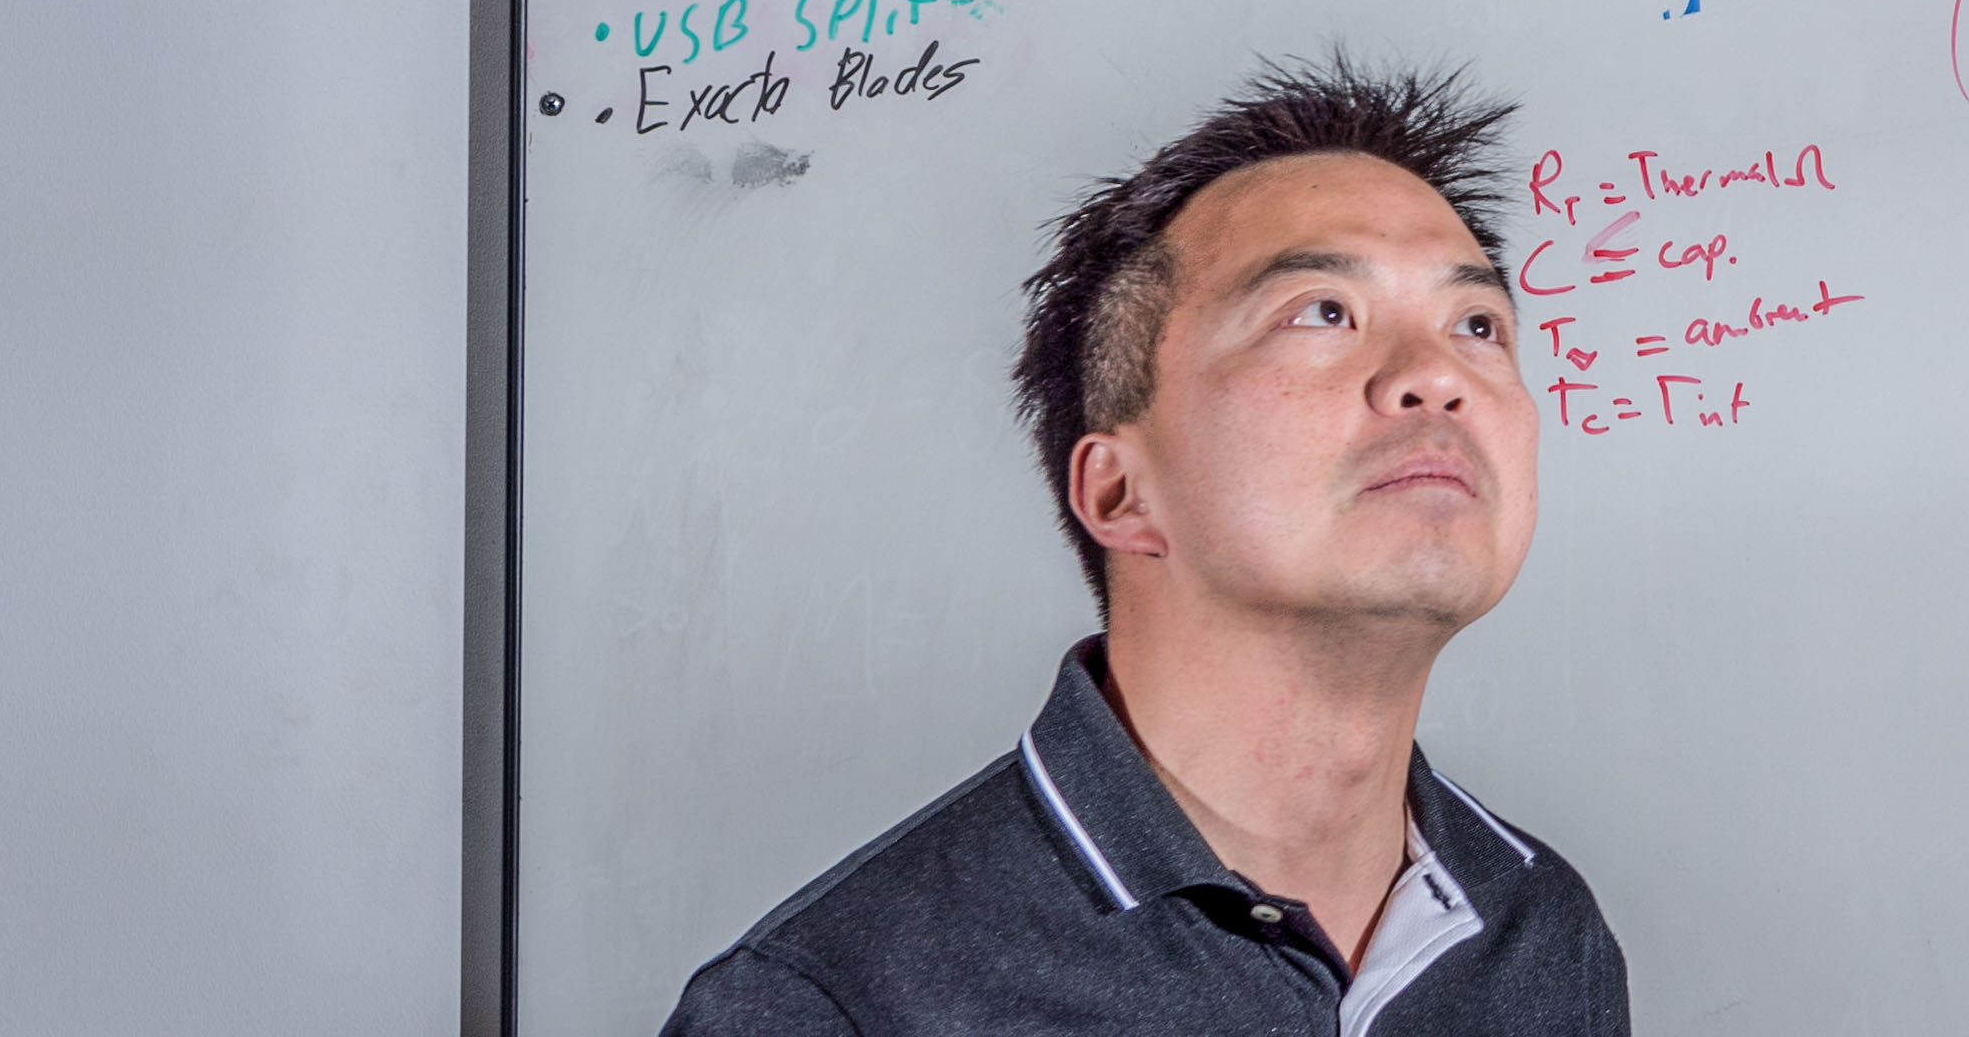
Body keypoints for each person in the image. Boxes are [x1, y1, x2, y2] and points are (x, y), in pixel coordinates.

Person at [670, 58, 1630, 1034]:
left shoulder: (1543, 930)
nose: (1436, 376)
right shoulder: (838, 1004)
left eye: (1478, 324)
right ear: (1121, 492)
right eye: (1322, 311)